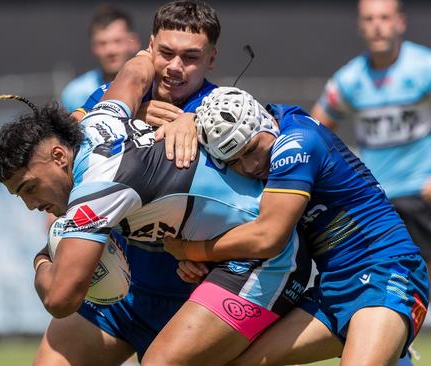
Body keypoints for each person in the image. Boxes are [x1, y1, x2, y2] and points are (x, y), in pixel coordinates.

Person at [0, 42, 310, 366]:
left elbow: (60, 299)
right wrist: (144, 55)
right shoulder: (101, 117)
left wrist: (42, 261)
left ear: (58, 157)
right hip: (194, 265)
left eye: (29, 188)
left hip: (264, 258)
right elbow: (135, 72)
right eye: (19, 195)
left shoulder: (97, 188)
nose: (30, 204)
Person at [163, 86, 429, 365]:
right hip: (334, 286)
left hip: (385, 271)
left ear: (263, 121)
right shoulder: (273, 119)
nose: (251, 165)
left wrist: (190, 250)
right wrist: (187, 118)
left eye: (252, 149)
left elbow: (268, 237)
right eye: (236, 161)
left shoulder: (296, 143)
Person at [311, 0, 431, 273]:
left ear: (400, 22)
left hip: (422, 196)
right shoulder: (349, 79)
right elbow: (315, 131)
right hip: (378, 199)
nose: (377, 26)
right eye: (369, 19)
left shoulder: (424, 66)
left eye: (385, 18)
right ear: (360, 26)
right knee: (391, 280)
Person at [60, 4, 140, 112]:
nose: (110, 50)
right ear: (93, 47)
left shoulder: (156, 86)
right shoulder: (75, 93)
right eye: (102, 43)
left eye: (117, 41)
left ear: (133, 42)